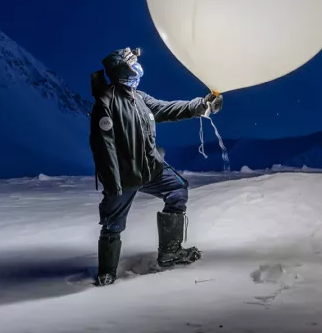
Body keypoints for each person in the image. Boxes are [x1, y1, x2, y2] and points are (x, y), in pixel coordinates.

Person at [89, 47, 223, 286]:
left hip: (150, 169)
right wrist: (113, 183)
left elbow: (167, 109)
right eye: (132, 62)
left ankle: (170, 252)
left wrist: (202, 105)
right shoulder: (106, 101)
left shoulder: (139, 97)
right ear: (122, 68)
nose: (137, 66)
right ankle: (106, 273)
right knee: (113, 223)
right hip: (123, 176)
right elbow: (103, 146)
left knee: (177, 189)